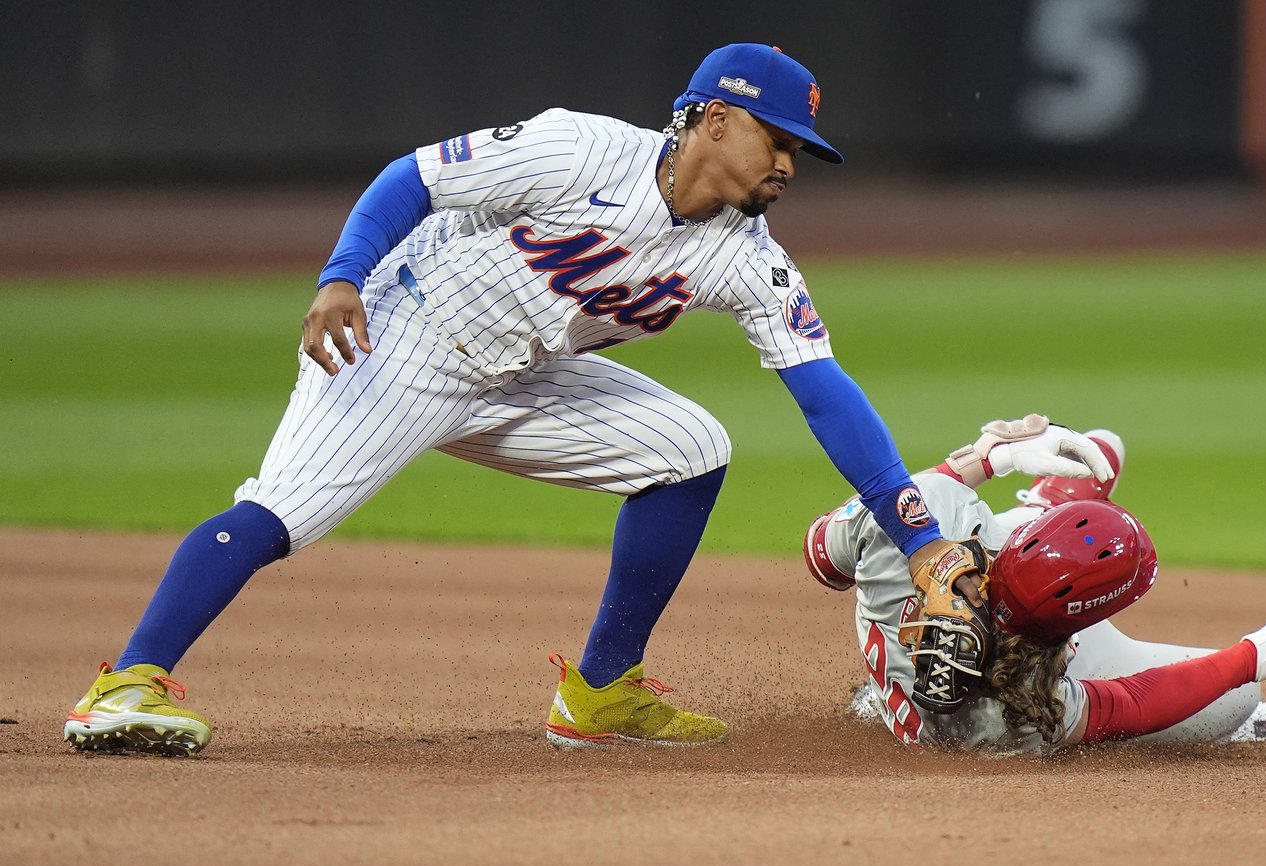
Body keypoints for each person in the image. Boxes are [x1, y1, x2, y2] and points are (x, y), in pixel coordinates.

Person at [63, 44, 1113, 757]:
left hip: (524, 375)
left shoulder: (748, 259)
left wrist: (916, 530)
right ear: (711, 119)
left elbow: (823, 394)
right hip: (401, 338)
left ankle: (600, 691)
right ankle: (129, 683)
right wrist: (342, 274)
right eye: (778, 143)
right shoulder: (579, 148)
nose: (790, 165)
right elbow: (412, 179)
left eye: (800, 153)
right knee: (283, 513)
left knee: (687, 446)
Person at [803, 417, 1266, 754]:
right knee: (1240, 699)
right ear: (1075, 631)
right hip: (1020, 653)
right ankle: (1058, 504)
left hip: (912, 648)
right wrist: (1255, 657)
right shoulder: (1025, 715)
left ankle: (1051, 507)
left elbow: (823, 558)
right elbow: (1130, 704)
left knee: (971, 522)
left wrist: (984, 460)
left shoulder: (920, 514)